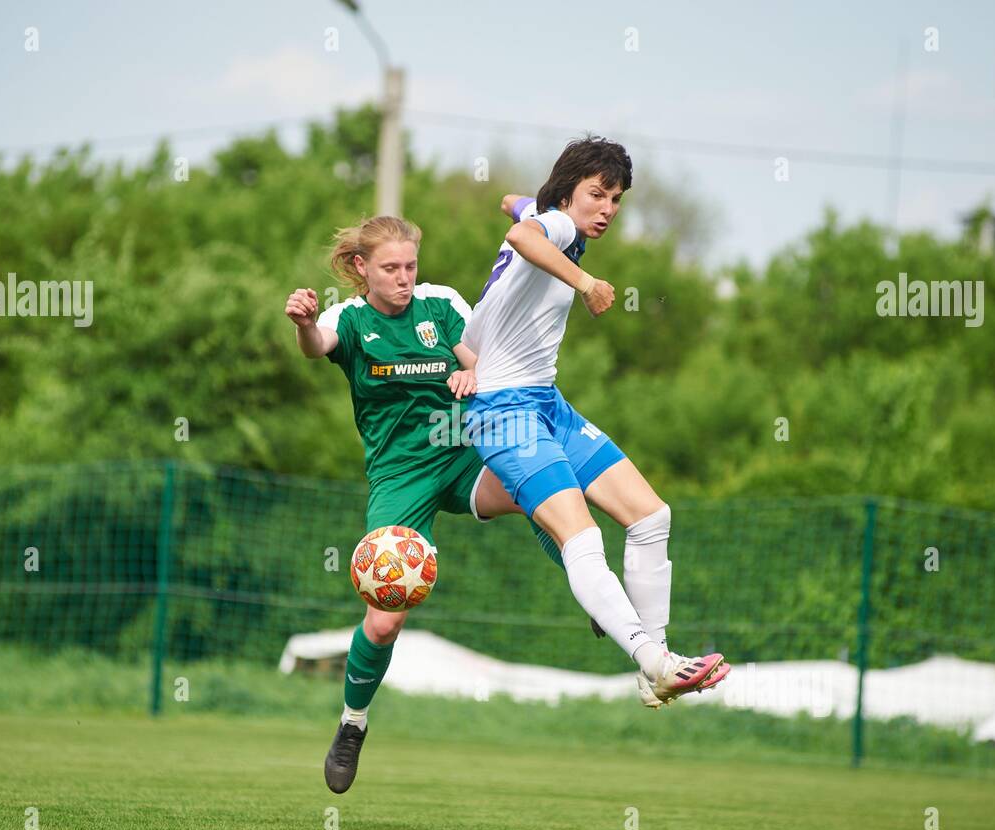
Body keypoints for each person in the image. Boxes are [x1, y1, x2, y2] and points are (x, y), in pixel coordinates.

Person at [285, 214, 558, 795]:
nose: (404, 278)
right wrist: (305, 323)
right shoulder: (348, 318)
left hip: (462, 452)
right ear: (361, 269)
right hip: (400, 474)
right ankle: (352, 723)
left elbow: (480, 360)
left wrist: (471, 375)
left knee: (544, 486)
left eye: (410, 265)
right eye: (390, 268)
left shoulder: (439, 305)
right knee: (384, 621)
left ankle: (591, 587)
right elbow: (316, 348)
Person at [462, 136, 732, 709]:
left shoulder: (550, 215)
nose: (608, 208)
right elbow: (521, 232)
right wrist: (586, 284)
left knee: (652, 515)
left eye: (616, 199)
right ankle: (651, 659)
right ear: (568, 192)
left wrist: (521, 202)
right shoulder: (556, 227)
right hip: (503, 413)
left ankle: (658, 667)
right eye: (598, 194)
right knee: (582, 538)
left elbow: (514, 207)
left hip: (545, 404)